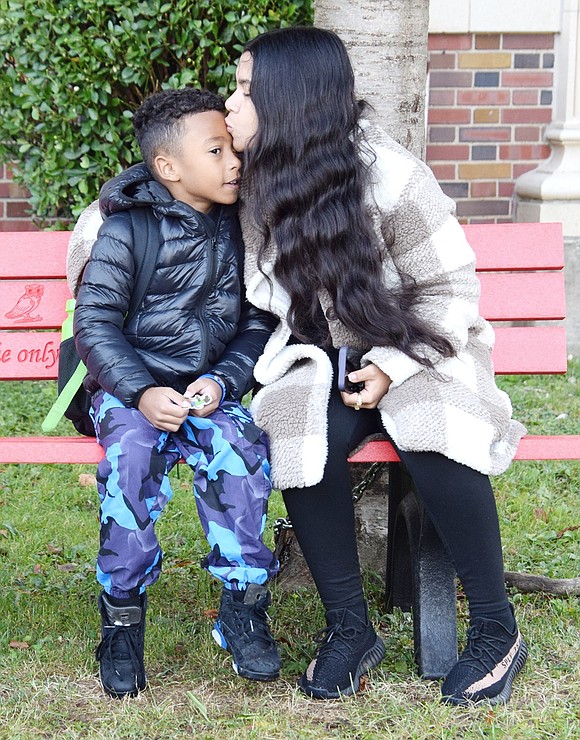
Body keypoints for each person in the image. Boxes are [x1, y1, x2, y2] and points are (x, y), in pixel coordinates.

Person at [223, 26, 529, 705]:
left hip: (421, 342)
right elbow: (147, 198)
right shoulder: (253, 180)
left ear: (289, 99)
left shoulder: (392, 178)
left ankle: (495, 629)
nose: (230, 104)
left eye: (246, 90)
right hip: (316, 356)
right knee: (294, 428)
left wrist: (391, 364)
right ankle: (349, 629)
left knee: (432, 422)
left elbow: (450, 293)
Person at [71, 88, 280, 699]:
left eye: (232, 146)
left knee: (240, 453)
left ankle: (243, 607)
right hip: (128, 389)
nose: (234, 161)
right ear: (169, 168)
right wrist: (138, 392)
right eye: (215, 151)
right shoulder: (126, 229)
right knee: (131, 462)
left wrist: (224, 380)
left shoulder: (242, 230)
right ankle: (122, 618)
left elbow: (256, 322)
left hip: (207, 391)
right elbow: (95, 323)